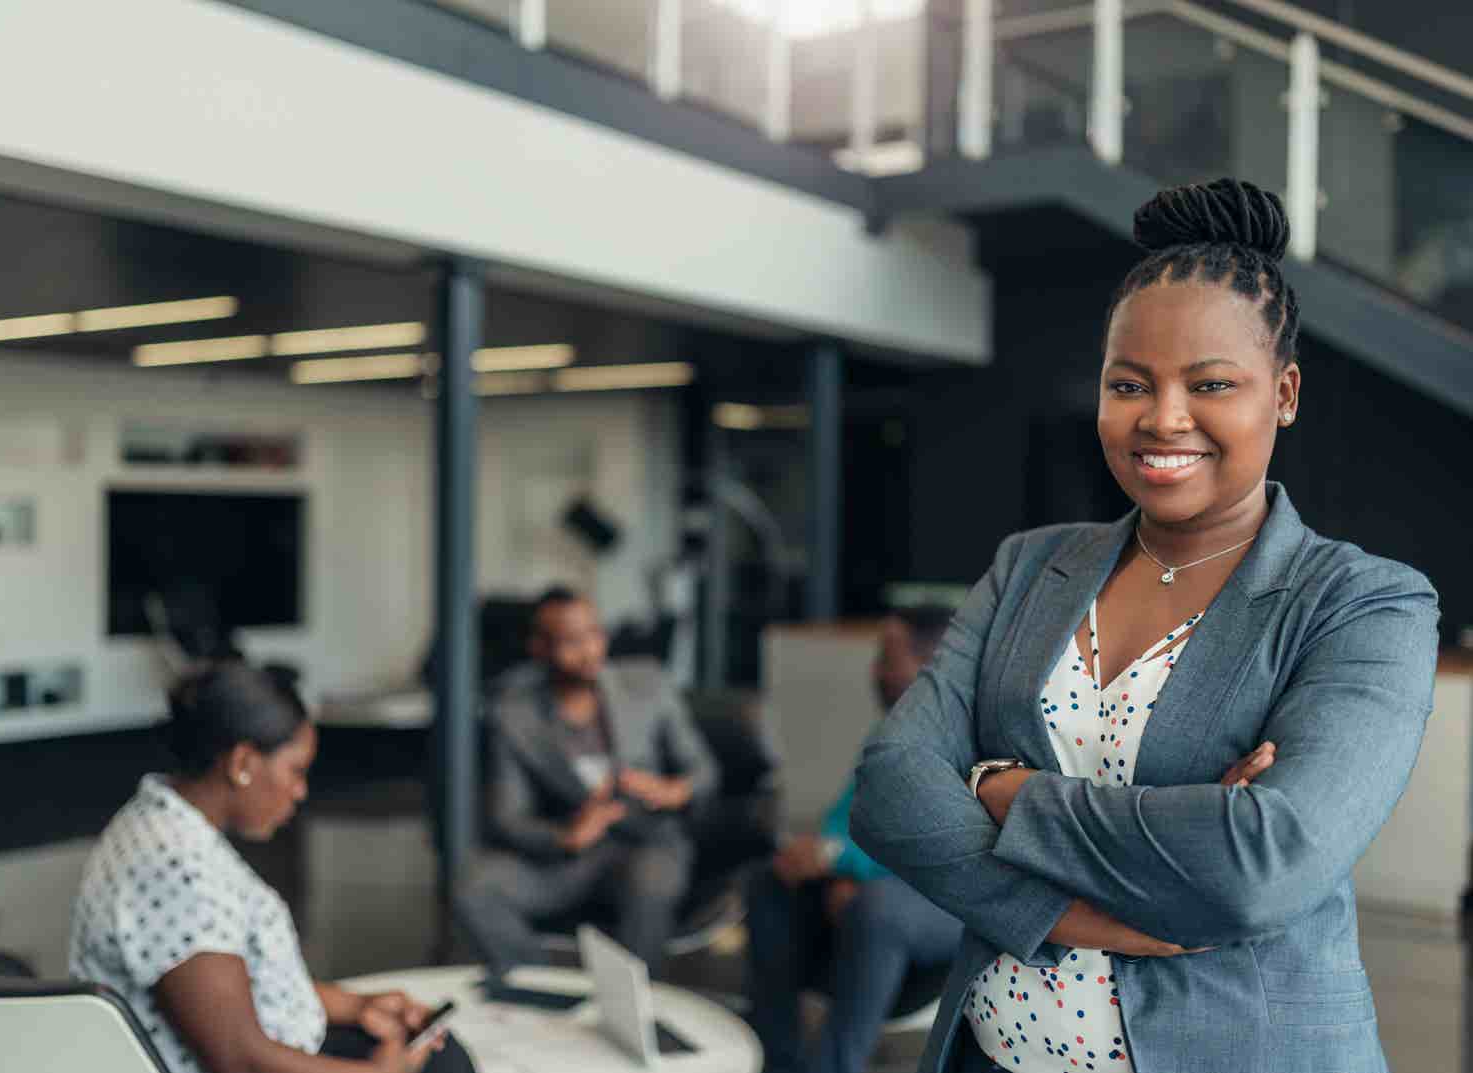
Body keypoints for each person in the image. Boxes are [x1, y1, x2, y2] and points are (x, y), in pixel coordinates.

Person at [851, 179, 1440, 1073]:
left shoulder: (1364, 603)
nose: (1163, 418)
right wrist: (1070, 909)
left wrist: (1001, 791)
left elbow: (1262, 865)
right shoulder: (1029, 564)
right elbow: (890, 788)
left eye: (1210, 384)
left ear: (1281, 393)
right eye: (1131, 383)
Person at [70, 662, 476, 1073]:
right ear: (243, 762)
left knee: (433, 1051)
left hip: (265, 1044)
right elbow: (241, 1060)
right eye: (296, 771)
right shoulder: (173, 869)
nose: (300, 793)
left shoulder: (159, 818)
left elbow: (231, 989)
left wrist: (355, 1006)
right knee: (441, 1066)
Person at [456, 587, 718, 977]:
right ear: (539, 648)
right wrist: (567, 836)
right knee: (474, 887)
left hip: (649, 843)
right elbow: (507, 817)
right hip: (570, 856)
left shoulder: (648, 684)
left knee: (648, 886)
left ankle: (636, 1010)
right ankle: (541, 989)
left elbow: (702, 769)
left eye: (595, 634)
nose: (590, 650)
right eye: (571, 641)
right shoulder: (514, 716)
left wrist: (673, 790)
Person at [747, 606, 964, 1073]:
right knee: (768, 880)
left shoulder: (973, 739)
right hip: (877, 884)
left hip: (953, 903)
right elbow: (844, 817)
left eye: (887, 658)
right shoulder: (889, 731)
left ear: (932, 666)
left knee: (878, 906)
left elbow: (943, 845)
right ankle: (775, 1058)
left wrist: (844, 862)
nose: (875, 672)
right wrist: (822, 857)